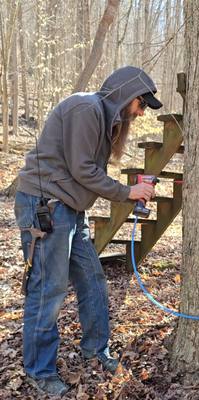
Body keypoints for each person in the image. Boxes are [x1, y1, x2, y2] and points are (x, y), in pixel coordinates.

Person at [14, 66, 163, 396]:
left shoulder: (104, 119)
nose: (140, 114)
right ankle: (40, 370)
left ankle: (96, 349)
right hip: (46, 206)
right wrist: (127, 193)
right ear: (128, 96)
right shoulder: (86, 109)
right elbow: (82, 169)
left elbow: (84, 170)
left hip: (70, 210)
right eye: (141, 105)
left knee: (92, 279)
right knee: (48, 290)